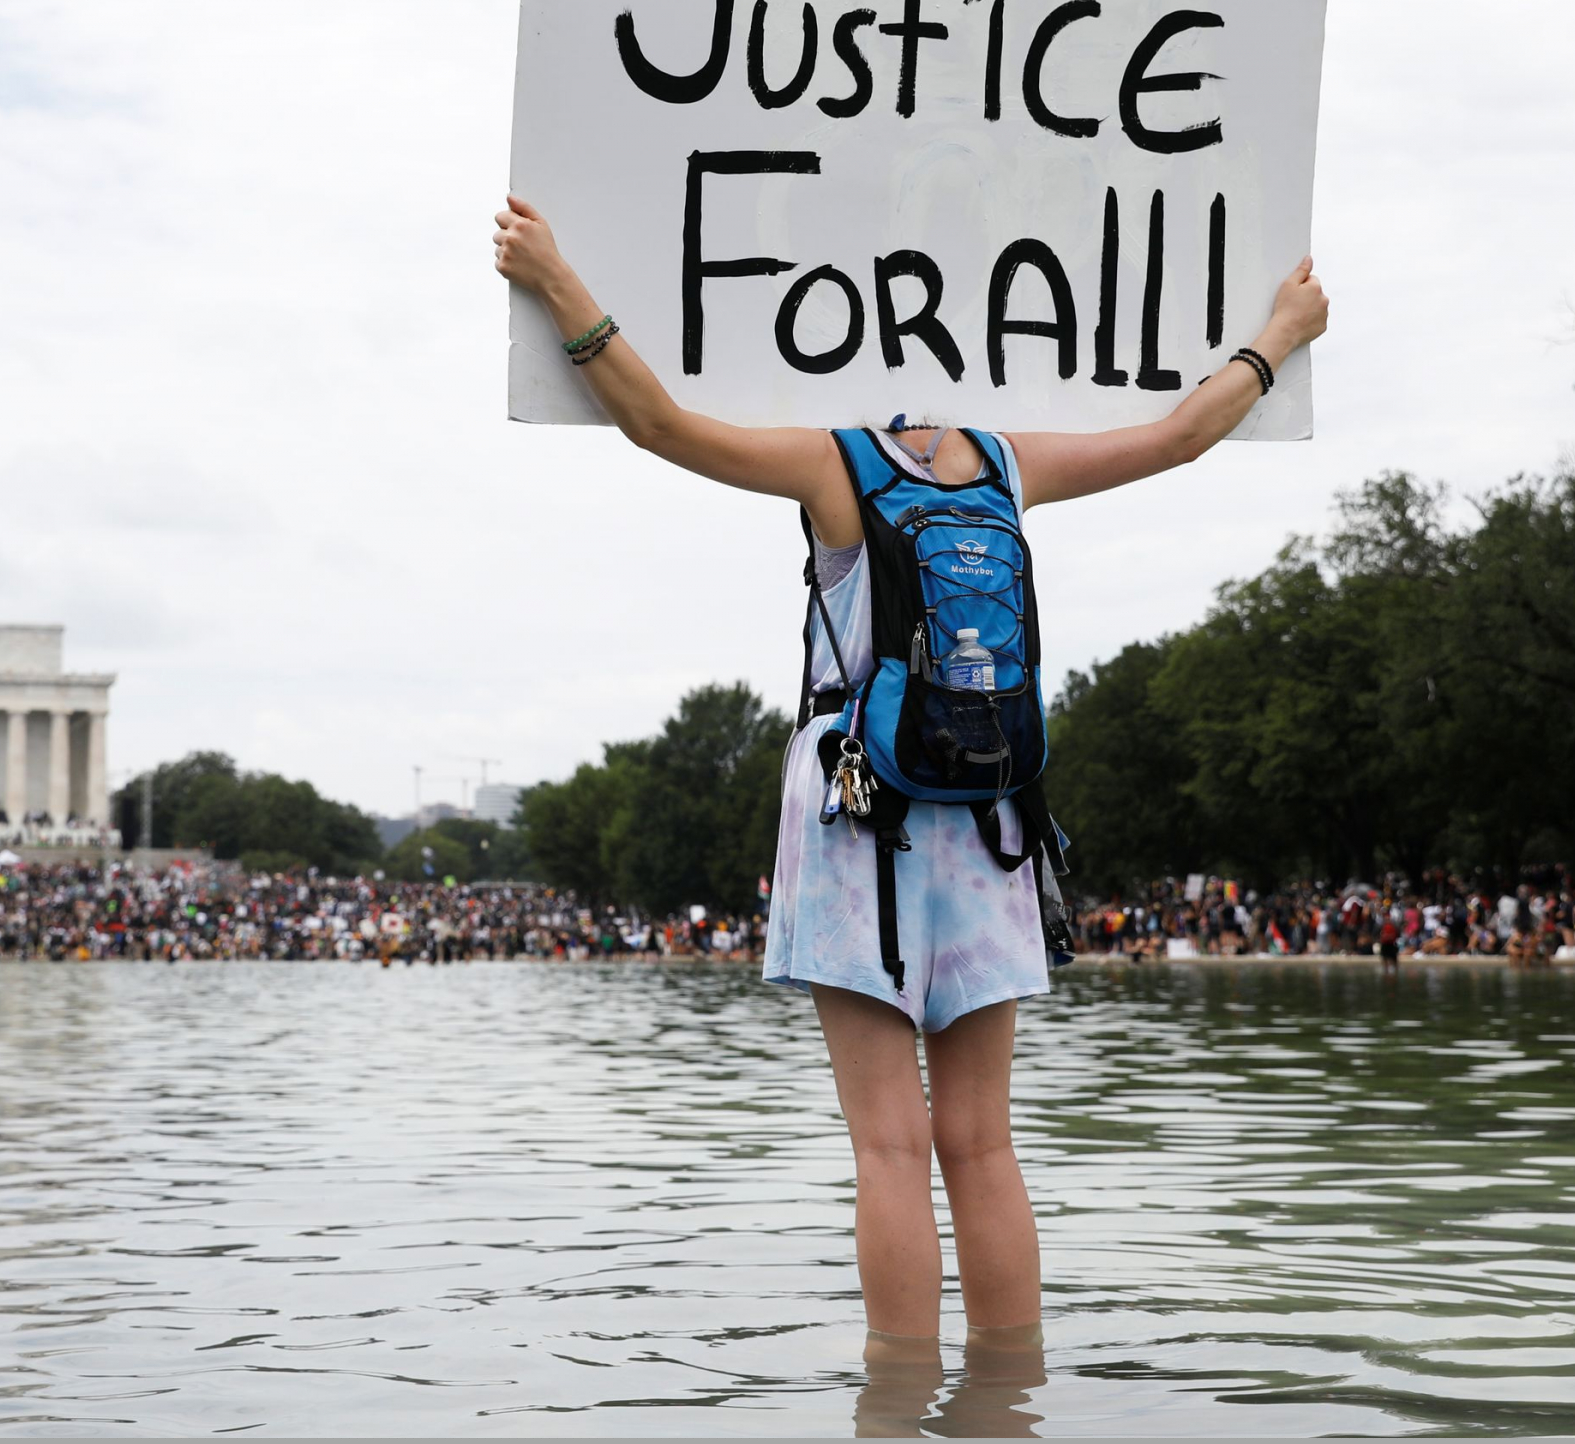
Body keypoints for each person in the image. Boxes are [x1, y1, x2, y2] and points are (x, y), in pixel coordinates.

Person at [490, 192, 1330, 1356]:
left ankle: (895, 1411)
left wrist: (556, 280)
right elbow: (1184, 435)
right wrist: (1279, 335)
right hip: (989, 809)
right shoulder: (1002, 465)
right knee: (982, 1141)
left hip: (858, 818)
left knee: (888, 1145)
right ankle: (1009, 1401)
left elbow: (661, 425)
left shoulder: (836, 464)